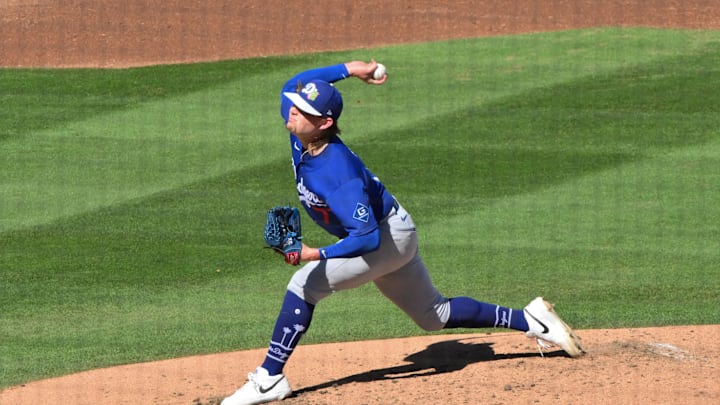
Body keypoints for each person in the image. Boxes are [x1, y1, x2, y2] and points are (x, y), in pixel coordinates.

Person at [221, 60, 585, 405]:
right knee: (433, 315)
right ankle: (531, 319)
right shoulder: (300, 128)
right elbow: (294, 84)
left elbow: (366, 239)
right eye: (295, 106)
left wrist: (314, 254)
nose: (292, 110)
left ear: (324, 123)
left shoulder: (338, 172)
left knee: (305, 285)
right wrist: (351, 69)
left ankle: (270, 377)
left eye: (303, 110)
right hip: (395, 229)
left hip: (385, 239)